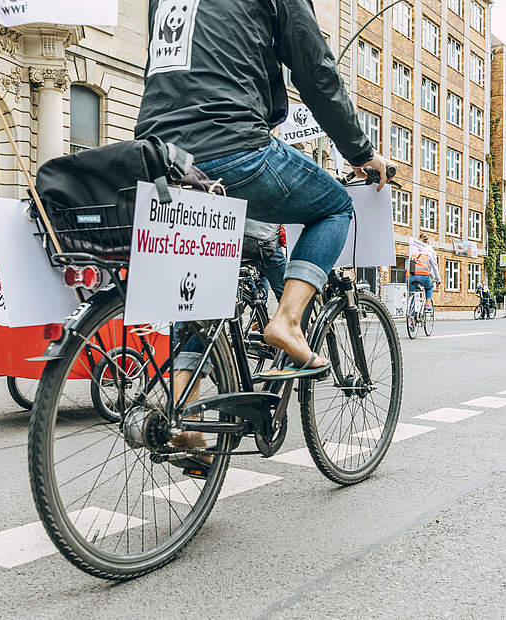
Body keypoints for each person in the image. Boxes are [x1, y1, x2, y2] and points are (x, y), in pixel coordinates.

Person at [135, 0, 395, 461]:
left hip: (157, 152)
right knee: (334, 206)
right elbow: (316, 71)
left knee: (200, 282)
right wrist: (360, 152)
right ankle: (288, 321)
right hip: (230, 144)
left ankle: (189, 413)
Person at [408, 235, 440, 312]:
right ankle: (428, 305)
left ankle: (410, 316)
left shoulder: (413, 248)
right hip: (424, 276)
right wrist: (438, 279)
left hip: (410, 276)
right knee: (429, 287)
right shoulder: (430, 250)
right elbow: (434, 266)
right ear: (428, 242)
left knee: (411, 293)